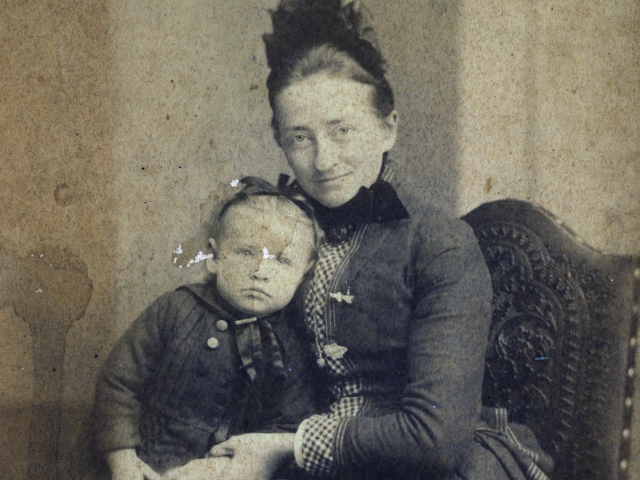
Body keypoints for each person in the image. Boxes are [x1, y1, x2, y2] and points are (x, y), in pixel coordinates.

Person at [169, 1, 555, 480]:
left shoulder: (439, 243)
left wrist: (291, 445)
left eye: (342, 130)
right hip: (311, 455)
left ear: (387, 128)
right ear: (281, 143)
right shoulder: (280, 233)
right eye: (300, 138)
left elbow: (434, 438)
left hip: (434, 462)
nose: (324, 159)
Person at [94, 180, 322, 480]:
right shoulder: (176, 309)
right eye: (244, 252)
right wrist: (122, 459)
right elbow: (118, 383)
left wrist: (228, 468)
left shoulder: (291, 344)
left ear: (303, 272)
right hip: (147, 464)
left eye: (281, 260)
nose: (260, 272)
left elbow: (288, 426)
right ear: (214, 258)